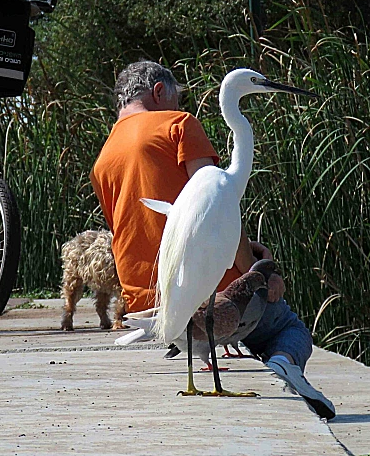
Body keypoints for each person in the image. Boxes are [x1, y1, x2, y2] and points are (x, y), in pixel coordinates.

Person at [90, 61, 335, 419]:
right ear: (160, 92)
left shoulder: (103, 158)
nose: (179, 104)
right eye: (175, 97)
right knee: (290, 327)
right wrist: (259, 276)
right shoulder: (179, 125)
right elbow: (221, 220)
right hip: (214, 307)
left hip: (148, 302)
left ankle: (200, 371)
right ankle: (284, 362)